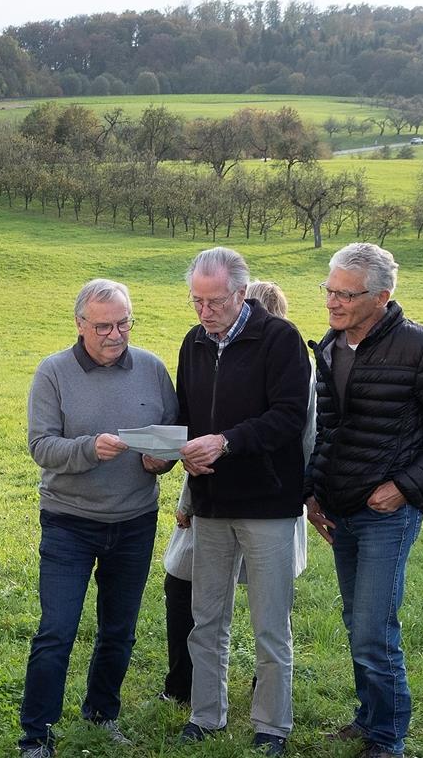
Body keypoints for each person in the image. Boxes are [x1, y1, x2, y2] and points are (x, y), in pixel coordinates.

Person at [304, 243, 423, 758]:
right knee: (356, 621)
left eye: (346, 294)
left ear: (382, 296)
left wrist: (407, 486)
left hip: (388, 514)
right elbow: (331, 429)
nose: (333, 302)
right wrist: (314, 491)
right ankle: (370, 719)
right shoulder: (331, 346)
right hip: (340, 510)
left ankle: (387, 739)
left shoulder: (422, 349)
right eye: (330, 290)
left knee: (372, 630)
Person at [18, 279, 178, 758]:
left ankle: (102, 713)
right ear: (80, 325)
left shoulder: (150, 368)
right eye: (104, 325)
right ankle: (36, 734)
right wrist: (89, 449)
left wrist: (161, 461)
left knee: (119, 629)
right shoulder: (54, 372)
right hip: (69, 522)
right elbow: (40, 446)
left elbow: (169, 438)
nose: (115, 334)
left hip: (134, 521)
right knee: (57, 630)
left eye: (124, 322)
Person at [174, 249, 312, 757]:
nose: (204, 312)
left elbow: (289, 417)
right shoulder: (191, 342)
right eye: (196, 300)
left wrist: (227, 441)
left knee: (270, 623)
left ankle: (271, 725)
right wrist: (182, 453)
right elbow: (186, 413)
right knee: (206, 617)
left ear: (240, 293)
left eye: (214, 301)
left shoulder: (280, 339)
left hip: (267, 503)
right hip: (211, 501)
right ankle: (205, 715)